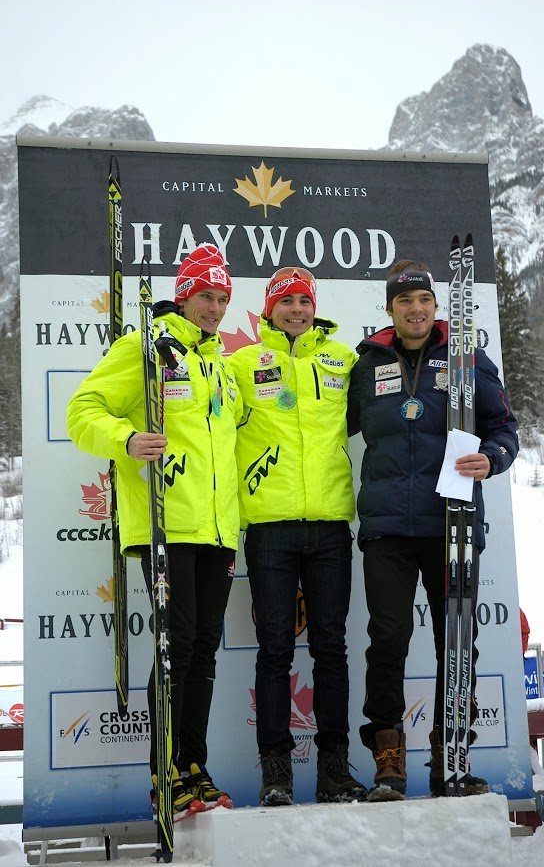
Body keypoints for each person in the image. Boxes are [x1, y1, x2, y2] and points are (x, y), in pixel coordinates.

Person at [67, 244, 241, 818]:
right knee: (176, 646)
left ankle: (194, 767)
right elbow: (83, 409)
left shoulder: (220, 363)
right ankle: (163, 770)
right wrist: (126, 439)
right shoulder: (145, 346)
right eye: (205, 296)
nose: (214, 307)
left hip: (217, 530)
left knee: (203, 651)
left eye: (222, 298)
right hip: (166, 524)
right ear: (184, 295)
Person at [347, 258, 519, 800]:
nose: (415, 309)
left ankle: (452, 756)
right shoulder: (367, 364)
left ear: (436, 306)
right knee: (388, 639)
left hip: (453, 524)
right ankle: (388, 760)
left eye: (423, 299)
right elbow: (328, 426)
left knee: (457, 640)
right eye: (404, 301)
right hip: (387, 527)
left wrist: (493, 457)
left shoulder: (467, 358)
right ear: (390, 309)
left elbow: (504, 426)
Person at [227, 267, 367, 806]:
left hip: (330, 525)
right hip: (270, 527)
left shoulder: (342, 359)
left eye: (304, 301)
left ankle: (334, 772)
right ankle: (276, 775)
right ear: (269, 309)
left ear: (315, 308)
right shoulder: (242, 363)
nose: (296, 310)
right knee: (275, 650)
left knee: (332, 647)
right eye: (285, 302)